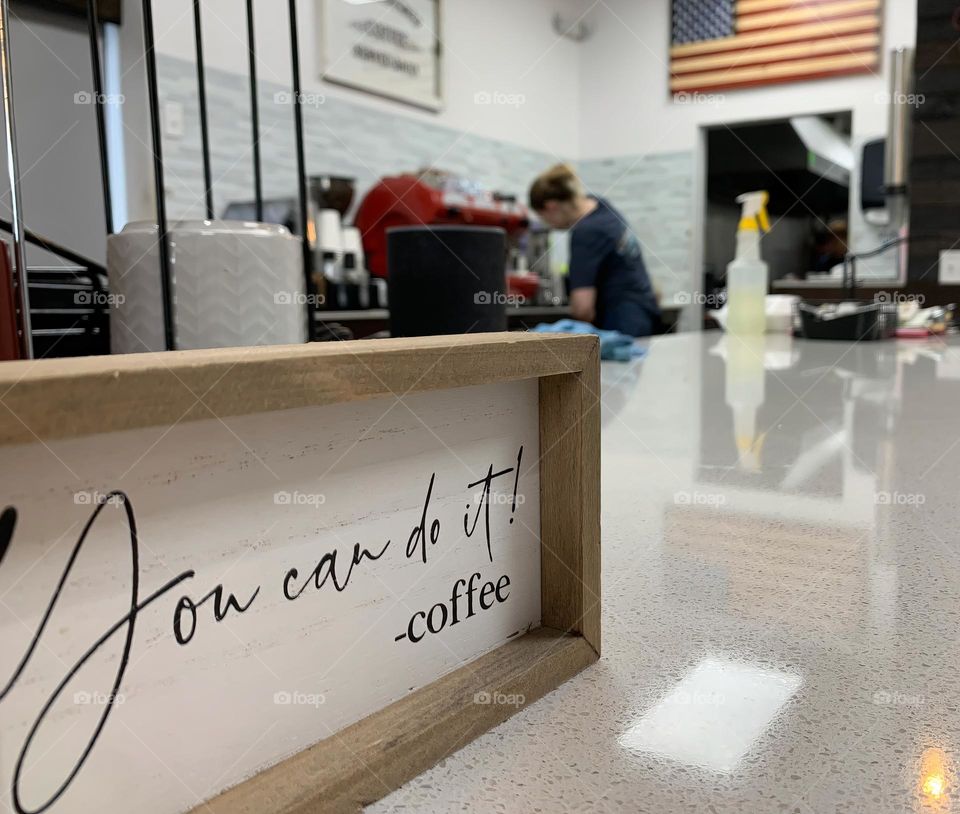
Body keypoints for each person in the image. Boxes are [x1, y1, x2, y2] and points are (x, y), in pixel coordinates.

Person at [529, 163, 660, 337]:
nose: (548, 224)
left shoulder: (586, 232)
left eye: (543, 217)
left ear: (552, 206)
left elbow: (583, 309)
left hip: (622, 321)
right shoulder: (601, 206)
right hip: (644, 311)